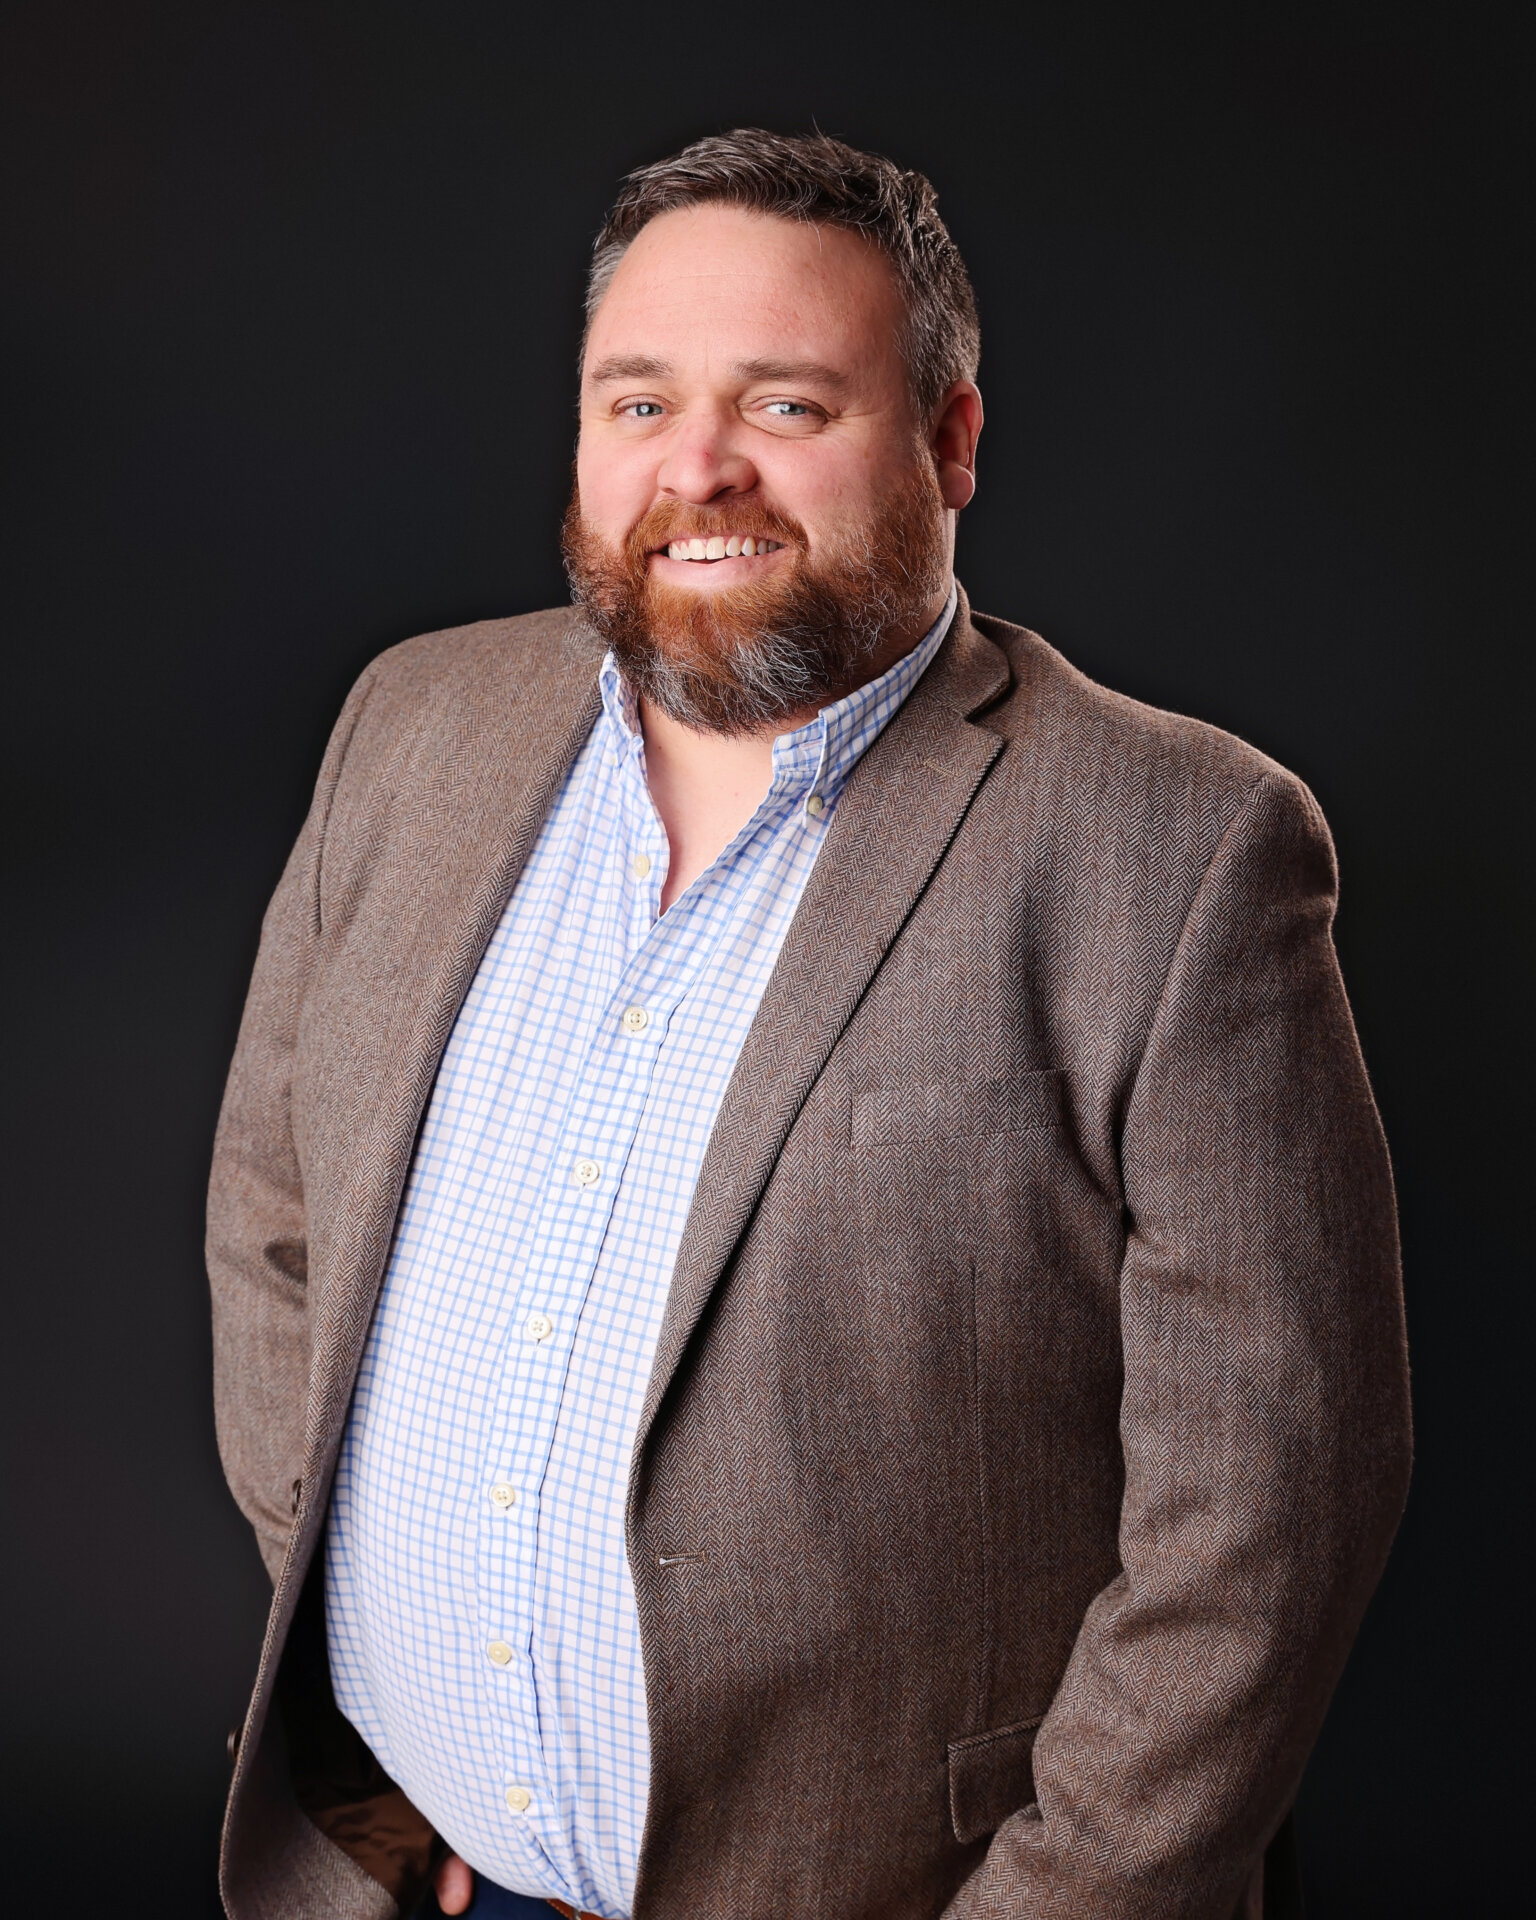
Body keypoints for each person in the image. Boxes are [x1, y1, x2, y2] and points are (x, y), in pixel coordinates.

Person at [208, 129, 1410, 1920]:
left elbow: (1267, 1516)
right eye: (638, 404)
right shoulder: (412, 727)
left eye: (784, 406)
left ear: (952, 443)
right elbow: (276, 1223)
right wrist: (383, 1760)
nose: (697, 468)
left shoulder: (1178, 849)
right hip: (411, 1879)